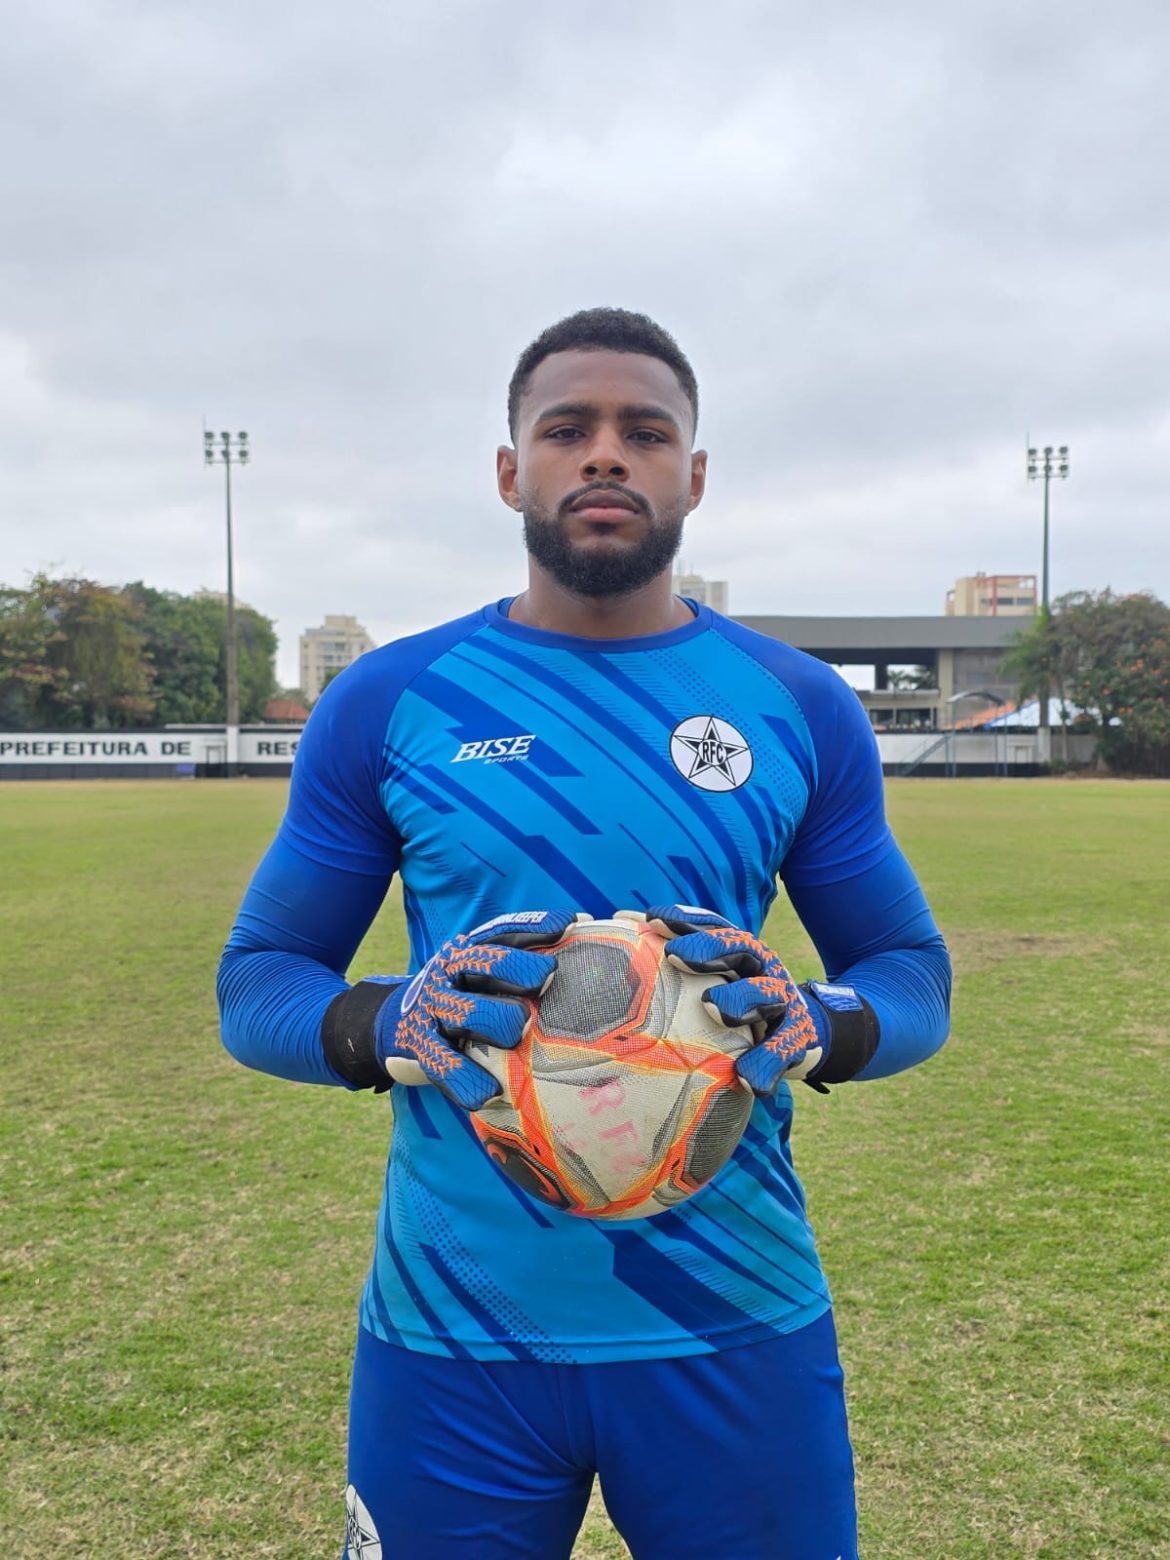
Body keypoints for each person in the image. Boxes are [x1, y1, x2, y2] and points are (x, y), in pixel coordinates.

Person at [218, 307, 951, 1560]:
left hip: (736, 1316)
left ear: (694, 476)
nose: (605, 456)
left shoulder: (793, 704)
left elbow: (912, 976)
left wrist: (817, 1018)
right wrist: (390, 1017)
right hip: (457, 1328)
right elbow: (260, 982)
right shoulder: (394, 698)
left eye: (644, 432)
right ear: (512, 469)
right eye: (568, 430)